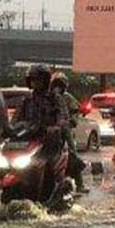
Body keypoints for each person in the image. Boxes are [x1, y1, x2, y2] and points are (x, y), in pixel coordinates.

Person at [14, 63, 68, 198]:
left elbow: (63, 116)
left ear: (45, 80)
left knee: (45, 164)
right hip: (28, 142)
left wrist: (56, 127)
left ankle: (48, 194)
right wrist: (7, 129)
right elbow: (15, 119)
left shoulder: (55, 98)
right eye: (32, 79)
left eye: (38, 79)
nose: (35, 82)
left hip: (49, 142)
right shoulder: (26, 100)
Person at [49, 72, 87, 192]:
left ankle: (80, 184)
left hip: (64, 131)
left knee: (72, 154)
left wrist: (71, 122)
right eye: (55, 85)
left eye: (60, 85)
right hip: (47, 130)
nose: (57, 88)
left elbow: (75, 112)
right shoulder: (46, 98)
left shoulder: (68, 98)